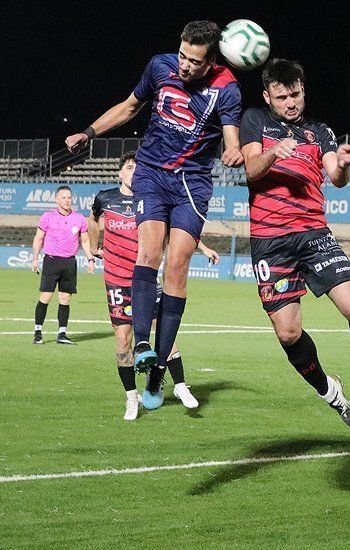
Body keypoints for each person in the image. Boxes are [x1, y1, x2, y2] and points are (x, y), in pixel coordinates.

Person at [64, 21, 243, 405]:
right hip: (151, 174)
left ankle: (158, 369)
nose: (185, 65)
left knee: (177, 266)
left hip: (192, 184)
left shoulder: (227, 89)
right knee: (150, 253)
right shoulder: (159, 67)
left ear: (211, 60)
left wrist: (234, 151)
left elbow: (231, 139)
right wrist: (89, 132)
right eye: (182, 55)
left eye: (194, 61)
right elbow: (130, 107)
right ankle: (143, 342)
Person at [239, 58, 350, 428]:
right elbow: (250, 169)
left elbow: (336, 176)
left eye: (296, 94)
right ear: (267, 96)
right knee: (288, 333)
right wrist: (273, 152)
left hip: (315, 234)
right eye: (282, 96)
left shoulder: (320, 131)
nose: (290, 103)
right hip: (270, 241)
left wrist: (345, 163)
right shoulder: (254, 121)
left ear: (304, 90)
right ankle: (330, 392)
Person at [88, 152, 218, 419]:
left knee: (164, 335)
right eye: (129, 167)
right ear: (120, 174)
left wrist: (202, 247)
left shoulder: (150, 200)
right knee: (124, 340)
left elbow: (174, 231)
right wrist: (92, 246)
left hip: (146, 281)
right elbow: (91, 221)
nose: (134, 172)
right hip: (116, 280)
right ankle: (131, 397)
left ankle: (180, 385)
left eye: (138, 167)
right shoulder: (105, 198)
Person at [31, 186, 96, 345]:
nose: (67, 200)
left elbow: (85, 240)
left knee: (65, 298)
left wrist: (90, 259)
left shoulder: (79, 218)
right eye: (64, 197)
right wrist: (35, 259)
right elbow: (39, 238)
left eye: (69, 197)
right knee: (46, 297)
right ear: (57, 200)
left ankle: (62, 334)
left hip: (69, 263)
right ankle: (38, 332)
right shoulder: (47, 217)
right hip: (51, 261)